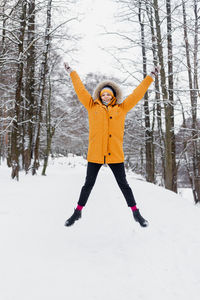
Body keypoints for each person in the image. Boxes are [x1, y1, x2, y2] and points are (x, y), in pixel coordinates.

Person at [64, 62, 160, 228]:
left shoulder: (121, 108)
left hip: (115, 154)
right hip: (95, 154)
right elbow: (80, 89)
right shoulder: (91, 106)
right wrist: (72, 72)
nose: (105, 97)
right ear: (99, 95)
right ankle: (77, 212)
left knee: (124, 185)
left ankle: (136, 213)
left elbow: (137, 94)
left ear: (113, 95)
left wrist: (150, 77)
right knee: (88, 184)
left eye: (108, 94)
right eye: (103, 94)